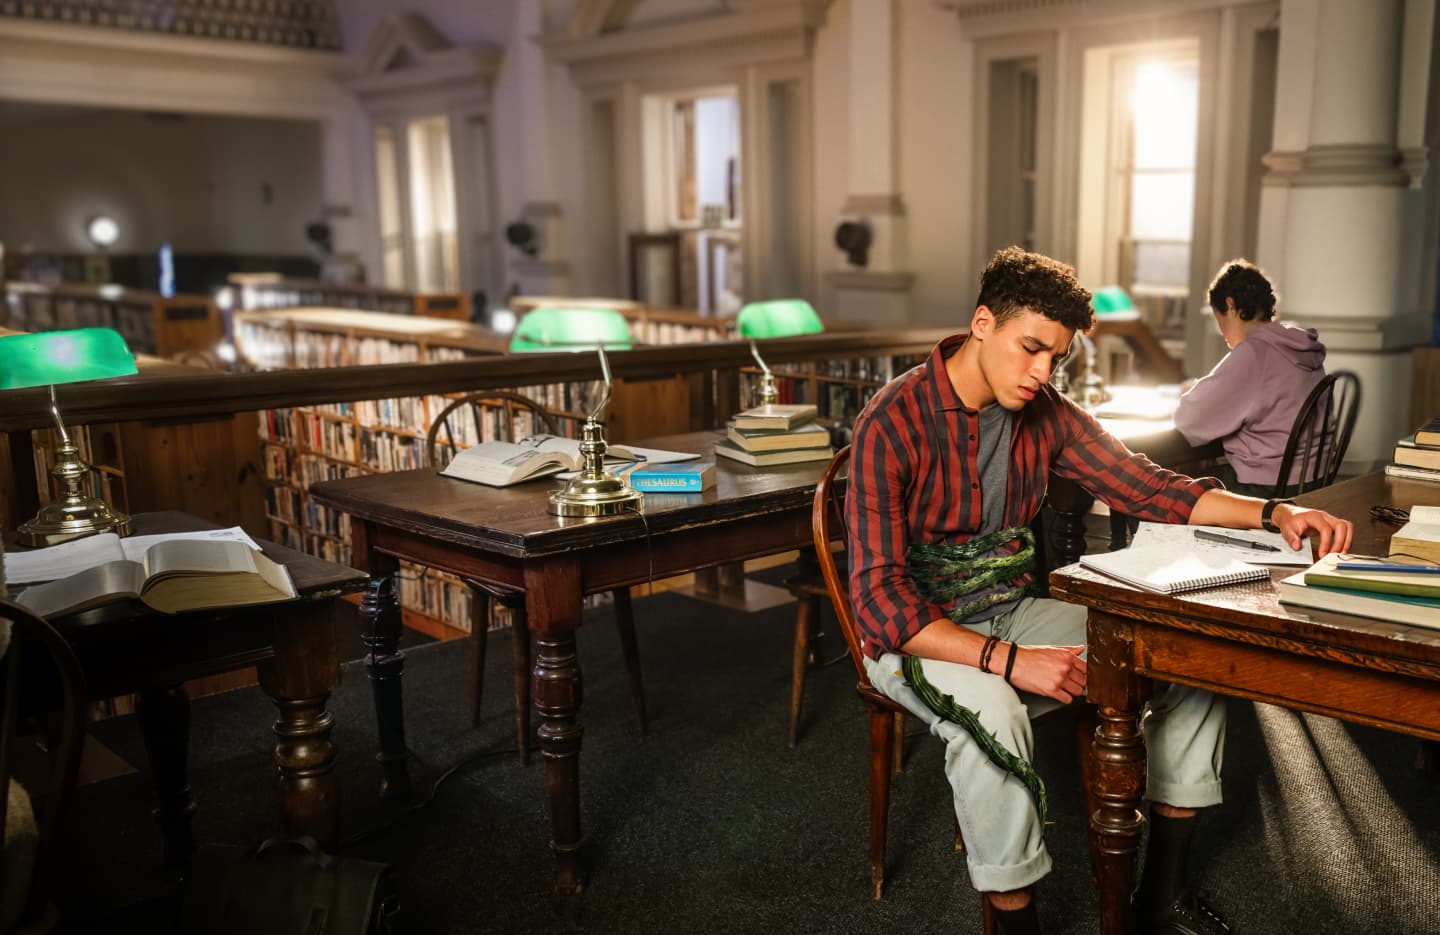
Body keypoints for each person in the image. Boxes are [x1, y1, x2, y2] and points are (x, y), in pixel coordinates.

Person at [846, 246, 1353, 935]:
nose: (1041, 373)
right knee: (994, 712)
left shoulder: (1045, 411)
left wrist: (1276, 512)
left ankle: (1161, 894)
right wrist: (1007, 660)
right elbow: (880, 601)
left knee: (1183, 654)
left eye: (1055, 358)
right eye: (1031, 349)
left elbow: (1149, 484)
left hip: (1011, 612)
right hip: (916, 636)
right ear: (982, 322)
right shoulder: (891, 420)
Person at [1174, 259, 1326, 497]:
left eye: (1220, 319)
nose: (1222, 331)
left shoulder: (1254, 353)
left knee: (1160, 490)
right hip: (1312, 478)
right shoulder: (1299, 347)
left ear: (1230, 305)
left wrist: (1192, 395)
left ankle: (1145, 535)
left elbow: (1189, 421)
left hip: (1267, 486)